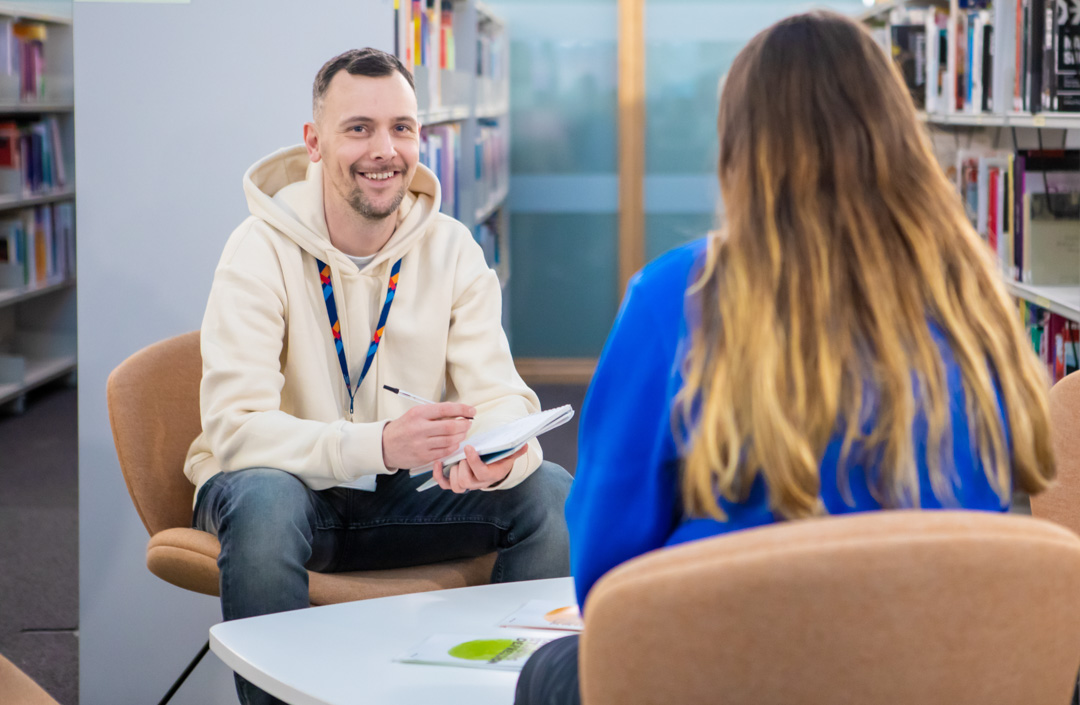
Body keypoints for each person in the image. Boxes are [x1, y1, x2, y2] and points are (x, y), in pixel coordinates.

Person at [515, 10, 1055, 704]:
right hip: (932, 669)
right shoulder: (973, 300)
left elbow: (605, 579)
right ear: (899, 135)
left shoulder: (678, 296)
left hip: (730, 671)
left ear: (742, 146)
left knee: (552, 672)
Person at [183, 48, 572, 705]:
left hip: (402, 496)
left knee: (551, 493)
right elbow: (236, 430)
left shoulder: (451, 248)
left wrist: (496, 455)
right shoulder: (258, 248)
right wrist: (379, 444)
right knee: (265, 503)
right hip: (285, 488)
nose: (384, 149)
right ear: (314, 142)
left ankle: (509, 692)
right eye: (358, 128)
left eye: (402, 128)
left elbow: (503, 394)